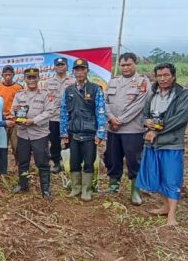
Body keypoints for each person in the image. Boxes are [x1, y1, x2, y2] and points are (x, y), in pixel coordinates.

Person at [135, 63, 188, 226]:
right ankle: (165, 207)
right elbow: (145, 113)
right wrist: (146, 123)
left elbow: (179, 120)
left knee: (171, 178)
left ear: (173, 76)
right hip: (152, 144)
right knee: (157, 175)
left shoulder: (182, 94)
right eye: (159, 76)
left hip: (171, 144)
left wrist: (157, 132)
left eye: (166, 75)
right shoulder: (153, 93)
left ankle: (172, 216)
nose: (162, 79)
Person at [104, 52, 151, 205]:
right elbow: (103, 102)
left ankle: (135, 190)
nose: (125, 68)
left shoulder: (142, 82)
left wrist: (120, 121)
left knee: (134, 159)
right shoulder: (113, 81)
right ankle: (113, 185)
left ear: (135, 64)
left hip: (132, 129)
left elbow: (139, 105)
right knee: (112, 157)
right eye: (123, 65)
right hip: (112, 128)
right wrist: (111, 118)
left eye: (128, 64)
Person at [60, 59, 106, 200]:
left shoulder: (95, 89)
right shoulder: (68, 90)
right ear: (73, 71)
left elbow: (101, 111)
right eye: (77, 69)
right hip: (73, 133)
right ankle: (76, 188)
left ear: (87, 71)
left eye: (82, 69)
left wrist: (100, 133)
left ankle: (86, 190)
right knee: (74, 162)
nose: (80, 72)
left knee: (88, 162)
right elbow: (63, 112)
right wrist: (63, 133)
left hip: (89, 134)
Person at [11, 67, 56, 199]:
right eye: (28, 78)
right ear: (24, 79)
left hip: (39, 134)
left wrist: (34, 120)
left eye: (34, 77)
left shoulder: (46, 94)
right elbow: (14, 110)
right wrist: (16, 115)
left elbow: (49, 111)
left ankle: (46, 189)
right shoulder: (19, 95)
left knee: (42, 163)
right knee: (23, 161)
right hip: (23, 134)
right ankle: (23, 185)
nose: (31, 80)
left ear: (38, 78)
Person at [44, 57, 74, 174]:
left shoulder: (73, 82)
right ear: (54, 67)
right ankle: (56, 162)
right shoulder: (48, 82)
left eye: (62, 65)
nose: (60, 67)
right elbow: (46, 99)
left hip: (69, 117)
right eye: (58, 65)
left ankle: (67, 162)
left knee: (69, 140)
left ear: (67, 66)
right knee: (54, 141)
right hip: (54, 117)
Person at [0, 65, 23, 165]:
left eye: (10, 75)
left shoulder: (18, 87)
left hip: (15, 121)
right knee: (2, 146)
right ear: (2, 75)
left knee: (16, 146)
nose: (8, 77)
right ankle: (2, 167)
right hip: (2, 121)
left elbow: (23, 104)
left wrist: (19, 119)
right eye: (6, 75)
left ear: (13, 75)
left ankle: (19, 165)